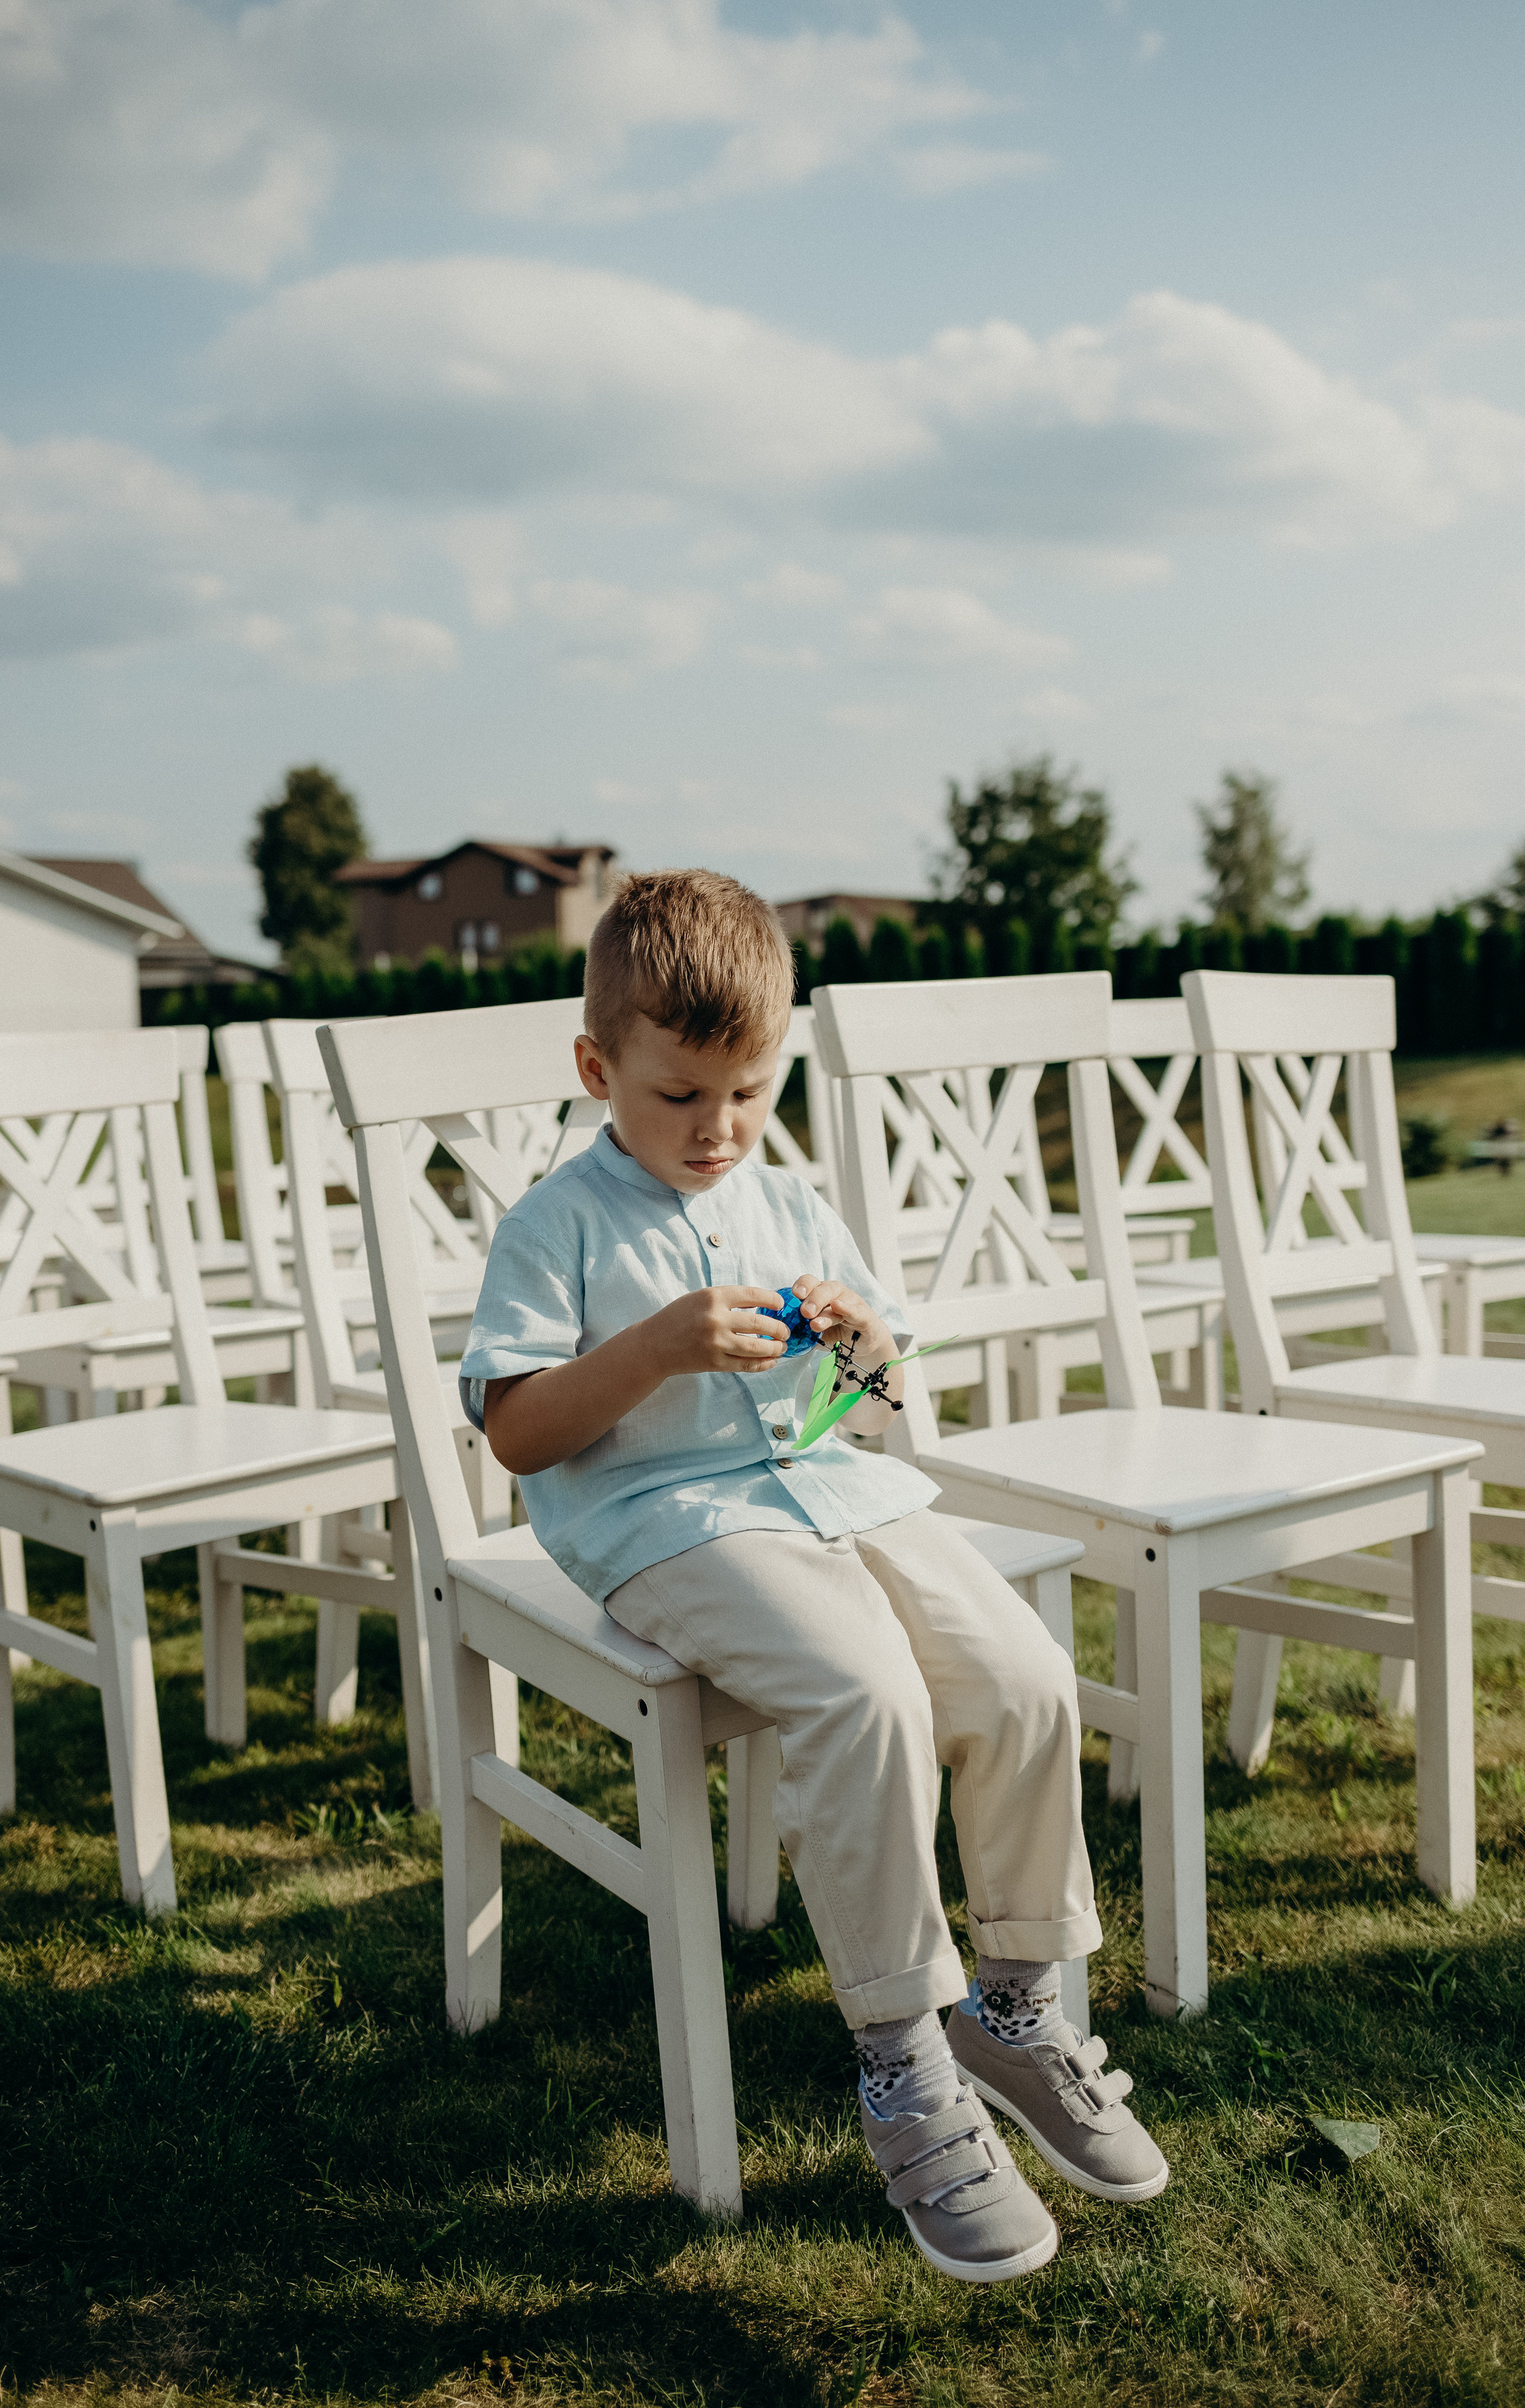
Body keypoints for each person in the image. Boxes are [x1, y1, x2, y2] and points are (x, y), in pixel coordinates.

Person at [459, 868, 1166, 2283]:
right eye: (678, 1097)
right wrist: (653, 1347)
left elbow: (882, 1398)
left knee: (1026, 1679)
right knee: (866, 1700)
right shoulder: (560, 1222)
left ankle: (1013, 2011)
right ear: (599, 1068)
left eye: (749, 1093)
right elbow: (517, 1429)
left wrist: (859, 1345)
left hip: (847, 1492)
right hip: (673, 1526)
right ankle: (906, 2062)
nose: (717, 1131)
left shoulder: (793, 1202)